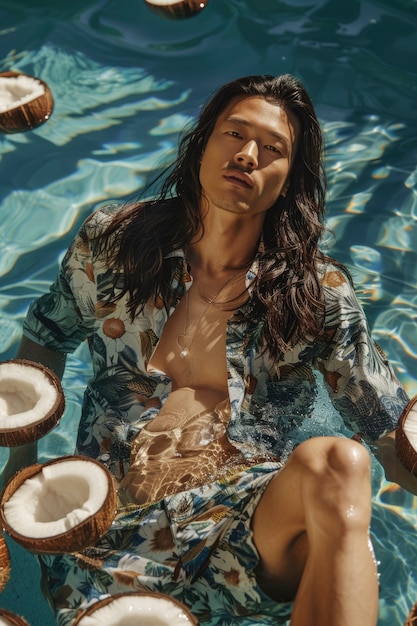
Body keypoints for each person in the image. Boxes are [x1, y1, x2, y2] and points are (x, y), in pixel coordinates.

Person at [3, 73, 415, 626]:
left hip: (240, 534)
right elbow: (48, 336)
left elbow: (387, 428)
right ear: (202, 144)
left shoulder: (317, 296)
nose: (248, 155)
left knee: (340, 462)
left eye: (273, 149)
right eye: (234, 133)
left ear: (289, 179)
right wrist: (20, 465)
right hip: (107, 526)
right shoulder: (113, 244)